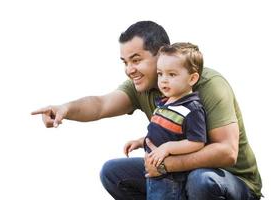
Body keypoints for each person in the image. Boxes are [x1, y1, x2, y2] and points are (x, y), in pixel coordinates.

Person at [31, 21, 262, 199]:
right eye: (125, 62)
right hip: (177, 175)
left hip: (232, 181)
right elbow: (100, 105)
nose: (130, 70)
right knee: (113, 173)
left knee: (200, 181)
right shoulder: (142, 86)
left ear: (162, 53)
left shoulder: (206, 84)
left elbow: (227, 152)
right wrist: (65, 109)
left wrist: (165, 165)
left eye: (136, 60)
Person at [124, 42, 207, 200]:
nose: (163, 80)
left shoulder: (191, 109)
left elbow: (197, 142)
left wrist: (168, 148)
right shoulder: (164, 102)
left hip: (170, 178)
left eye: (172, 74)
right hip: (154, 172)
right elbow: (163, 132)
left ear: (192, 78)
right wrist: (141, 141)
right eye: (160, 74)